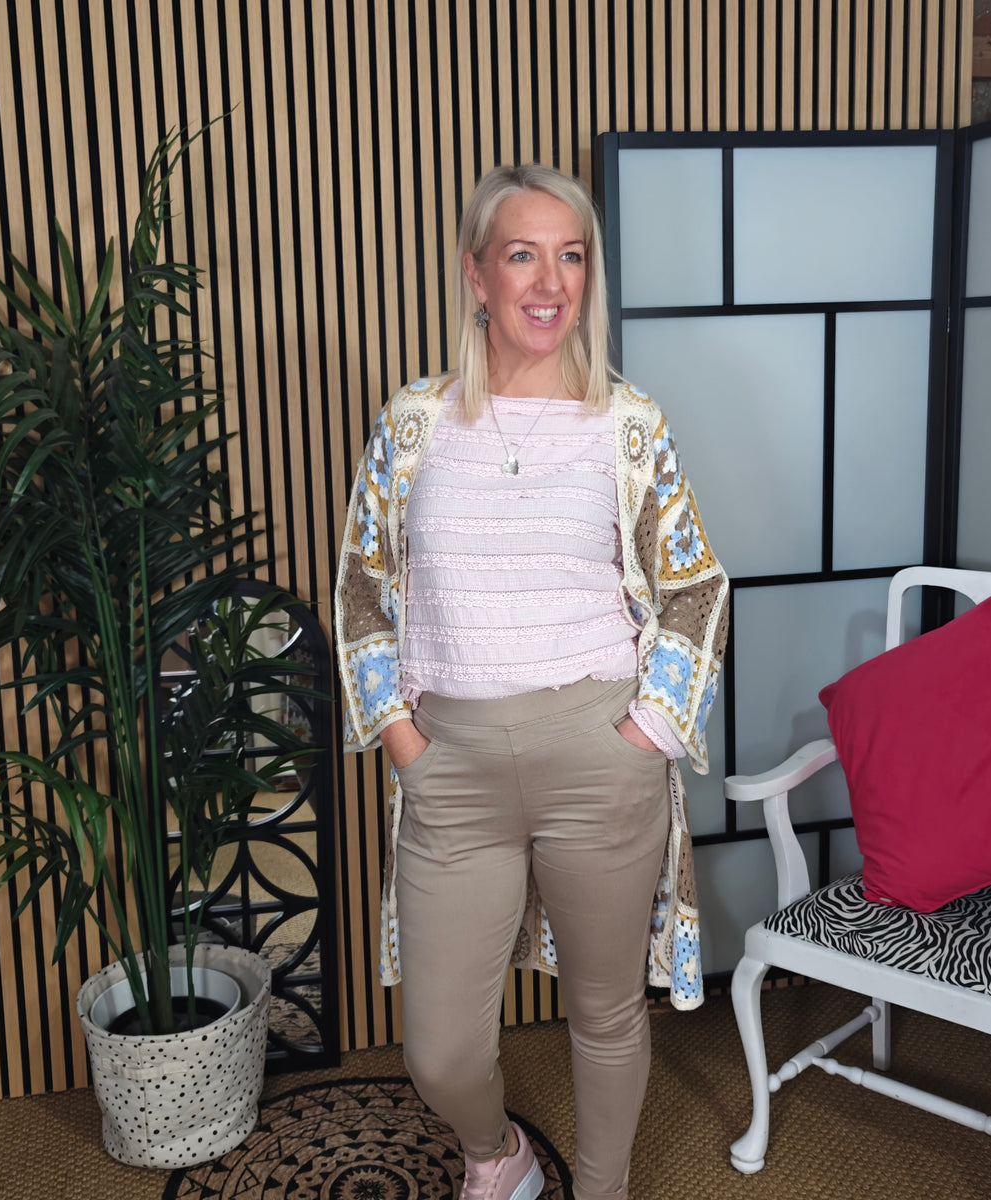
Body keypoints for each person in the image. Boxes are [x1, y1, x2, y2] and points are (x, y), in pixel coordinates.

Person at [334, 163, 728, 1200]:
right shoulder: (414, 424)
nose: (551, 280)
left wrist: (645, 732)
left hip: (599, 757)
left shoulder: (627, 424)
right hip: (451, 764)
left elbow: (694, 587)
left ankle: (601, 1188)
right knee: (440, 1051)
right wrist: (403, 741)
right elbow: (363, 588)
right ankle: (496, 1157)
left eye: (572, 254)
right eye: (523, 253)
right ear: (475, 273)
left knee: (604, 1013)